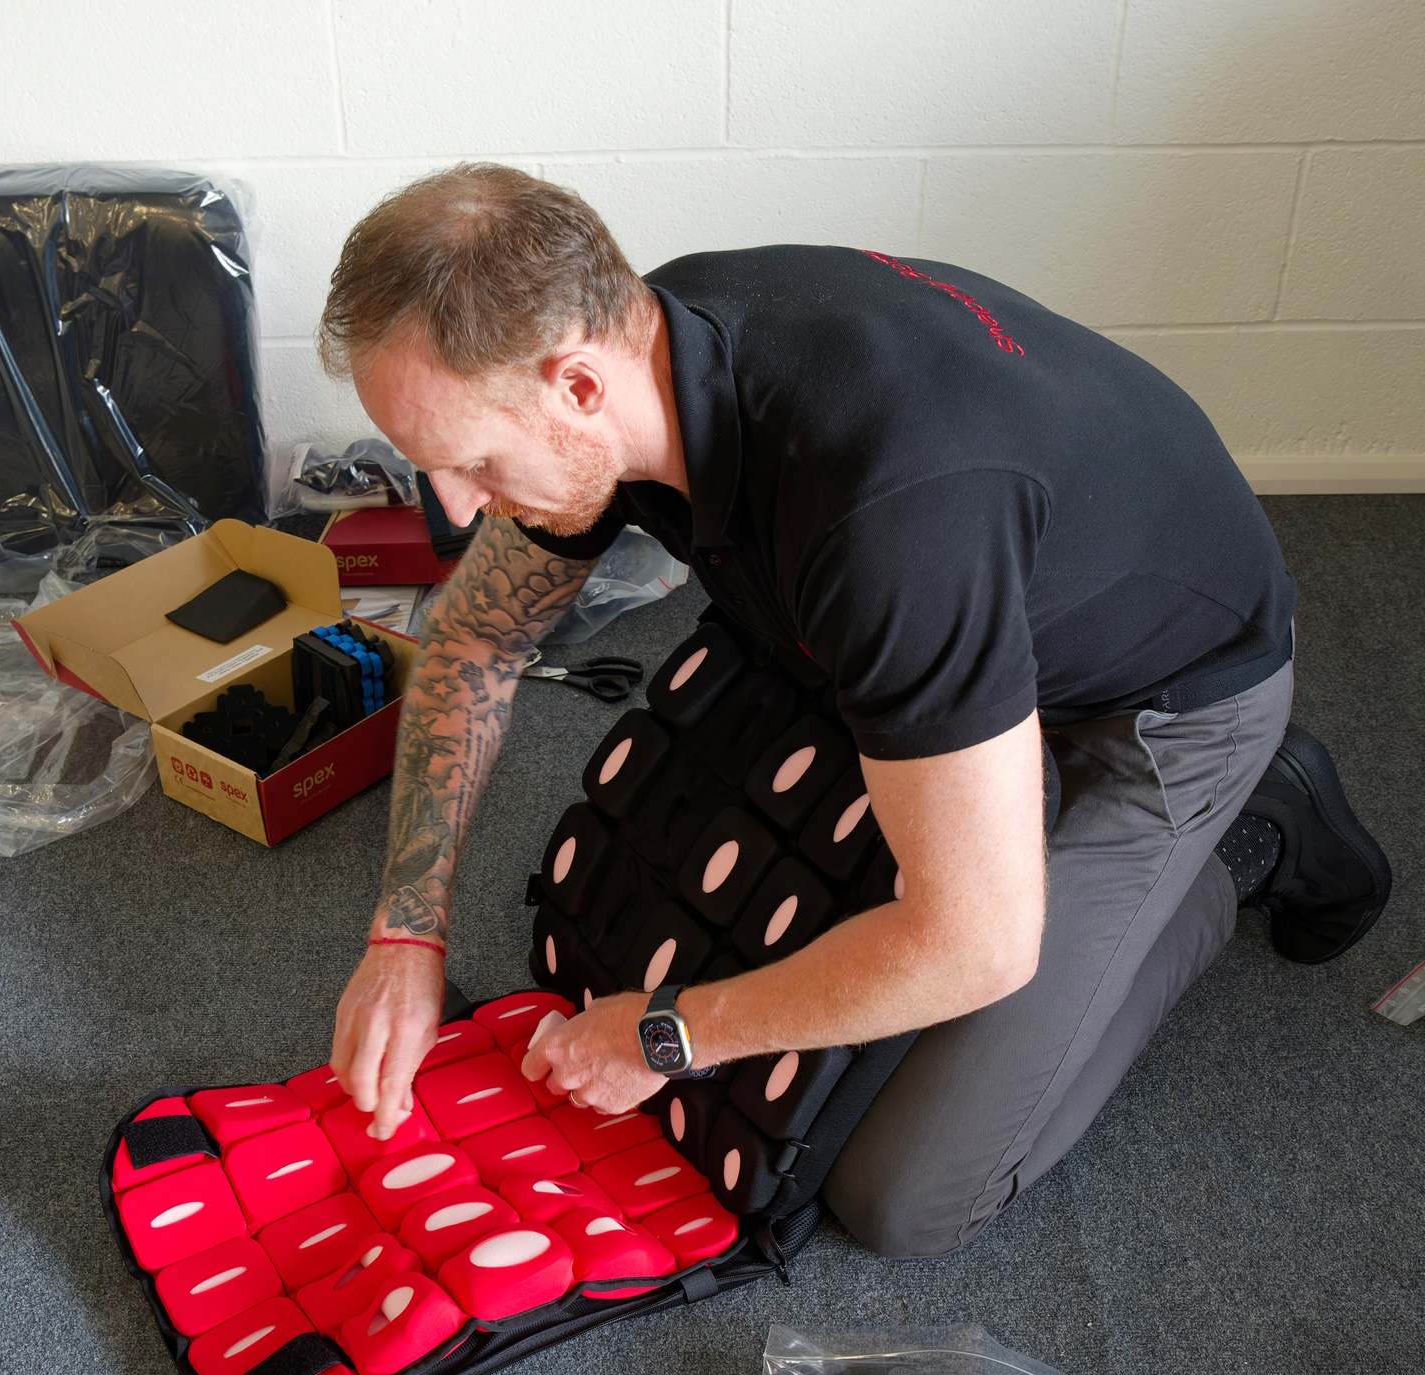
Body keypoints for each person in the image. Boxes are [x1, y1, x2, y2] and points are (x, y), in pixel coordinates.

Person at [315, 164, 1390, 1259]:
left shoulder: (885, 522)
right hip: (943, 618)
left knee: (904, 1193)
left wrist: (666, 1035)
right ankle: (995, 764)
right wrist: (406, 932)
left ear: (577, 386)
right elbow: (476, 638)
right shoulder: (638, 353)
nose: (456, 508)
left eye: (472, 464)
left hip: (1160, 705)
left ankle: (1245, 841)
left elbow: (976, 945)